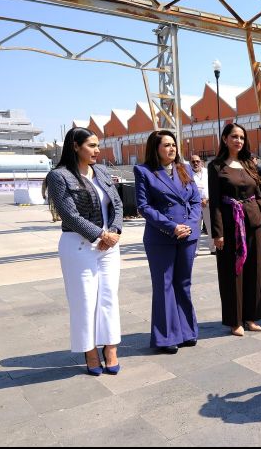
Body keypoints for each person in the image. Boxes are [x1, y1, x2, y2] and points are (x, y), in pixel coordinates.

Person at [45, 128, 123, 376]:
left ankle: (110, 349)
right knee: (84, 302)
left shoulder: (100, 171)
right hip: (79, 246)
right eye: (91, 145)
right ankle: (90, 352)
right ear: (76, 146)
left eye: (97, 145)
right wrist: (100, 234)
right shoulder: (59, 176)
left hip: (109, 246)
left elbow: (117, 204)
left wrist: (114, 231)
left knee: (109, 298)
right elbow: (69, 214)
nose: (97, 150)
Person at [134, 130, 202, 354]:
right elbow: (144, 207)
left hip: (187, 235)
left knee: (183, 283)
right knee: (164, 286)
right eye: (166, 145)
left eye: (173, 145)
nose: (172, 149)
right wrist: (172, 227)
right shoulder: (144, 171)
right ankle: (166, 337)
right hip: (161, 236)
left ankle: (186, 331)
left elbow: (194, 200)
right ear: (155, 148)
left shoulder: (184, 169)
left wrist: (190, 225)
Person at [208, 124, 261, 337]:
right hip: (229, 224)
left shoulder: (249, 163)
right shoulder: (215, 166)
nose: (239, 141)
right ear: (225, 138)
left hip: (252, 223)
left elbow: (259, 195)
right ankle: (235, 321)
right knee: (232, 272)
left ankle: (251, 317)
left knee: (254, 271)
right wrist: (217, 233)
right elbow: (214, 201)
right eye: (234, 136)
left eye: (242, 137)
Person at [190, 155, 215, 255]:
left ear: (201, 162)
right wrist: (198, 200)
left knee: (211, 226)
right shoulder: (187, 174)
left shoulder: (207, 172)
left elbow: (213, 186)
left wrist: (207, 199)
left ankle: (213, 249)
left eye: (197, 161)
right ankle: (195, 250)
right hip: (195, 204)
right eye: (193, 162)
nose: (195, 163)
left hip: (208, 202)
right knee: (195, 228)